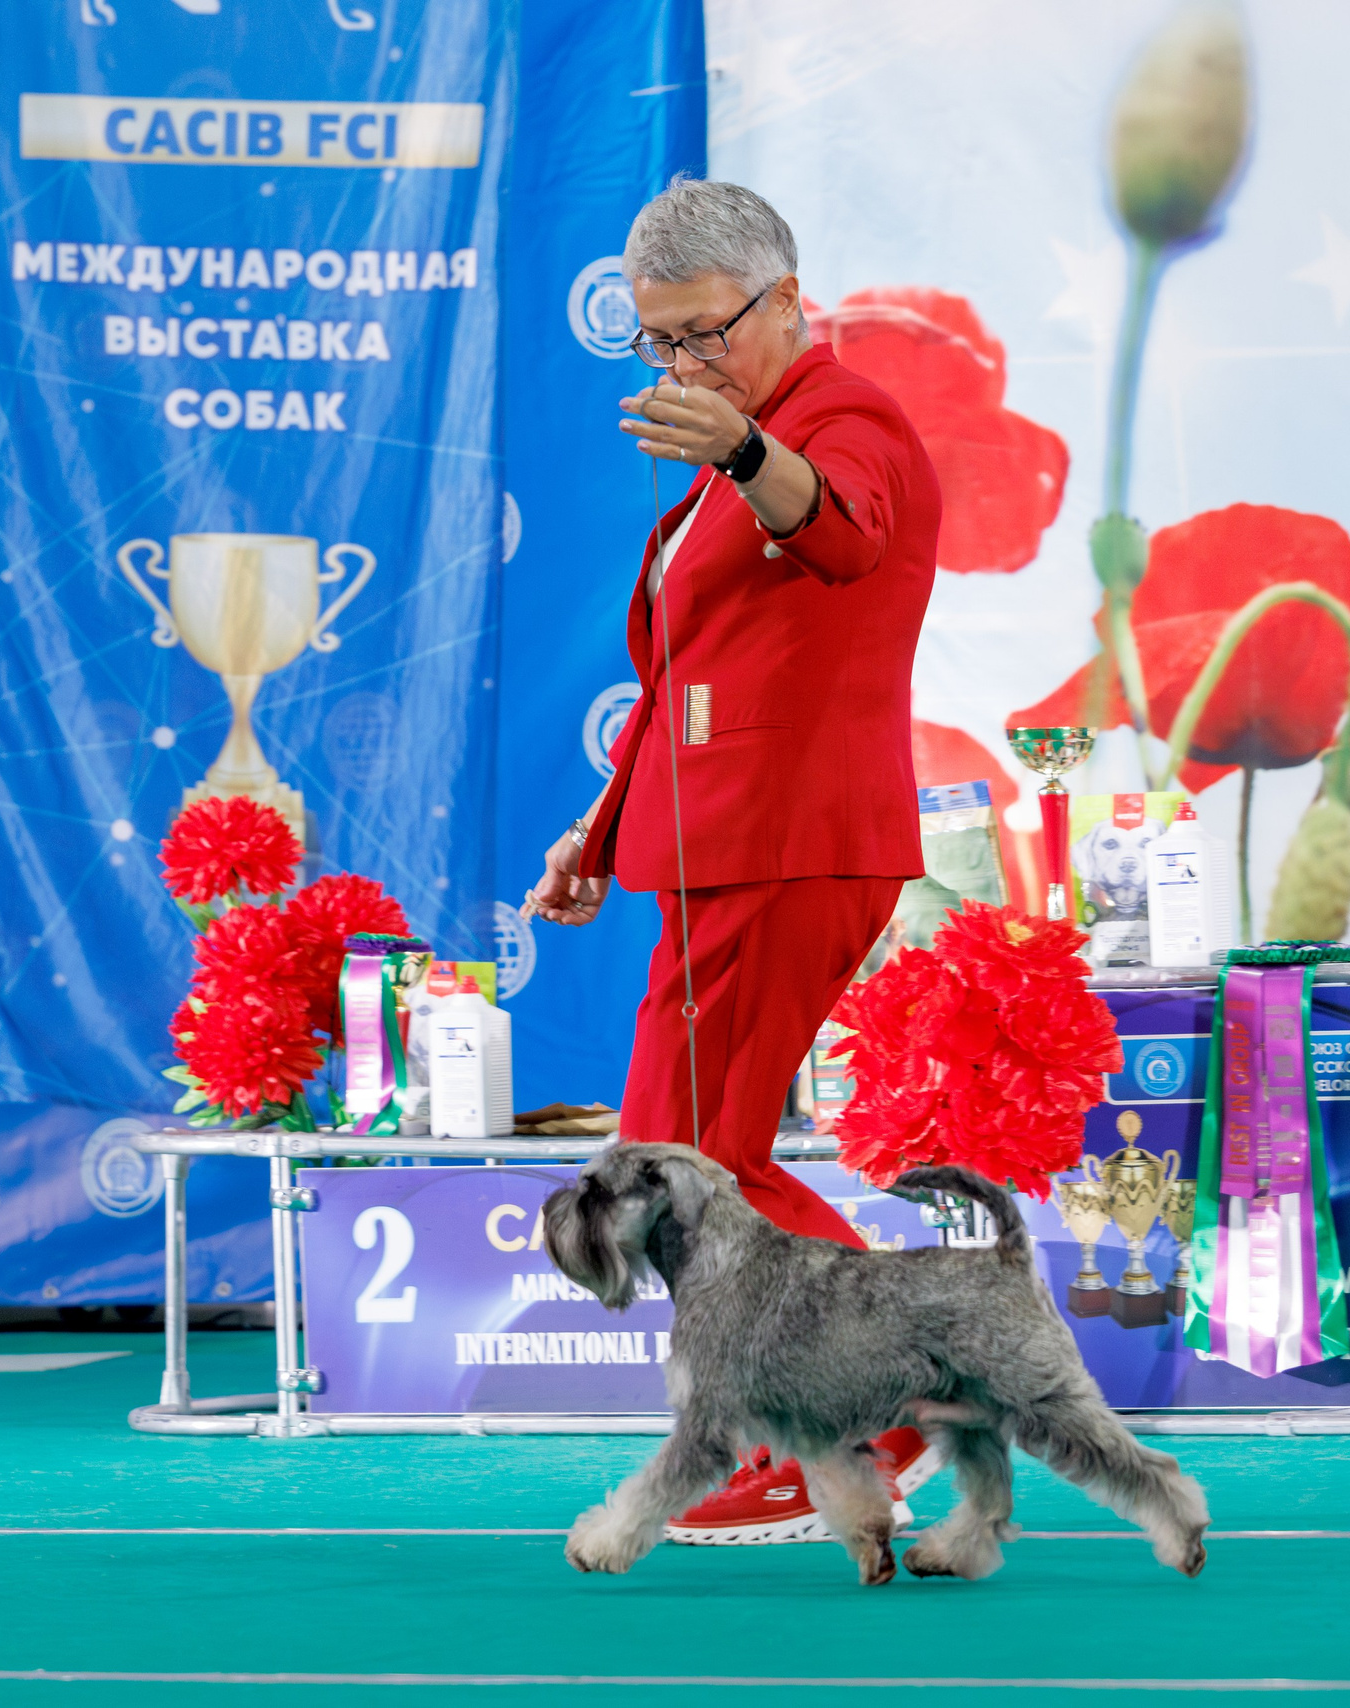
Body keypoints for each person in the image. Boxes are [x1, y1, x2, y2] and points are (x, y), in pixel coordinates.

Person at [525, 178, 944, 1546]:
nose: (685, 367)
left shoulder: (842, 421)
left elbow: (847, 531)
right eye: (661, 344)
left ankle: (876, 1402)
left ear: (788, 299)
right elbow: (684, 682)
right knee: (681, 1161)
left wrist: (750, 454)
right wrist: (602, 832)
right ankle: (852, 1408)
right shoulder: (725, 464)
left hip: (792, 843)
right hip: (719, 846)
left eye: (705, 334)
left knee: (688, 1166)